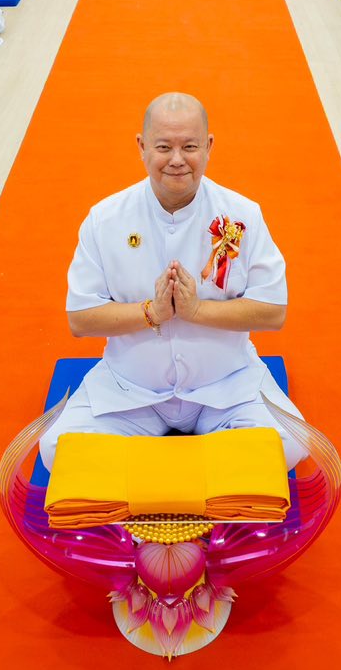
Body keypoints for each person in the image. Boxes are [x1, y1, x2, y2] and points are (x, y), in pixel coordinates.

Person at [39, 93, 307, 471]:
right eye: (164, 146)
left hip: (226, 385)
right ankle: (200, 477)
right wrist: (153, 312)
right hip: (131, 390)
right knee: (57, 450)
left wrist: (196, 310)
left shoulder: (243, 214)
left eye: (190, 146)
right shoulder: (105, 218)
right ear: (142, 146)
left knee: (291, 442)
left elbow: (273, 312)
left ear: (209, 146)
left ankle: (152, 479)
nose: (177, 160)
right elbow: (80, 319)